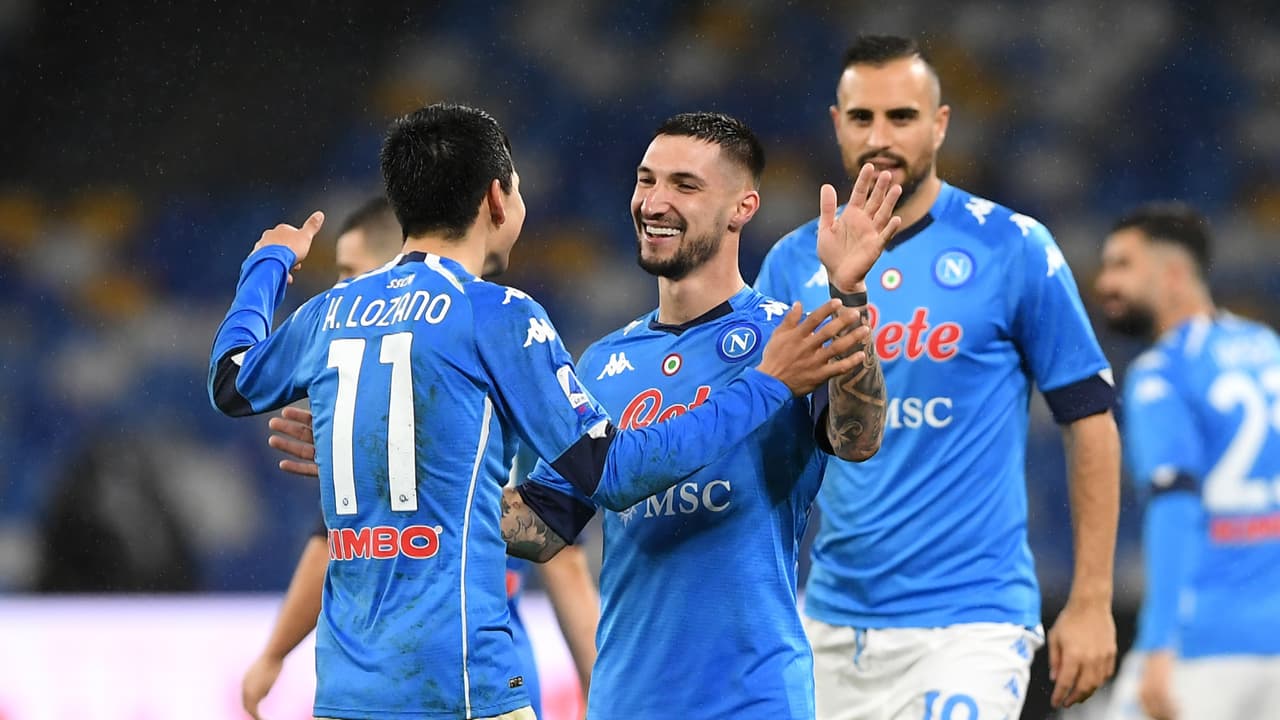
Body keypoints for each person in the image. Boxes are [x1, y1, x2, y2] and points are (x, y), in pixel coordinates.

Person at [208, 102, 866, 720]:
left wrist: (850, 297)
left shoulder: (786, 338)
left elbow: (860, 435)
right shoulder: (568, 345)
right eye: (645, 180)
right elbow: (565, 511)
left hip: (748, 696)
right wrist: (396, 459)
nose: (653, 201)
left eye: (684, 185)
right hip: (569, 693)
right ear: (498, 199)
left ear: (742, 206)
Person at [755, 35, 1122, 718]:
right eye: (862, 117)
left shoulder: (1013, 246)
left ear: (940, 124)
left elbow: (1089, 418)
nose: (880, 137)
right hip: (831, 620)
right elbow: (764, 441)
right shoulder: (792, 262)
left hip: (972, 622)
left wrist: (1093, 599)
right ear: (837, 124)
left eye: (902, 116)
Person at [239, 197, 601, 720]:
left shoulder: (445, 351)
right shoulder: (488, 376)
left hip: (432, 681)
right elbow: (560, 550)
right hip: (486, 673)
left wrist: (274, 652)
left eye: (350, 272)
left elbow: (327, 549)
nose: (343, 290)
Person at [1094, 202, 1280, 720]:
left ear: (1173, 275)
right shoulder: (1267, 347)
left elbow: (1173, 510)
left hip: (1203, 638)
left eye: (1122, 265)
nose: (1105, 282)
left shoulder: (1163, 373)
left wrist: (1159, 642)